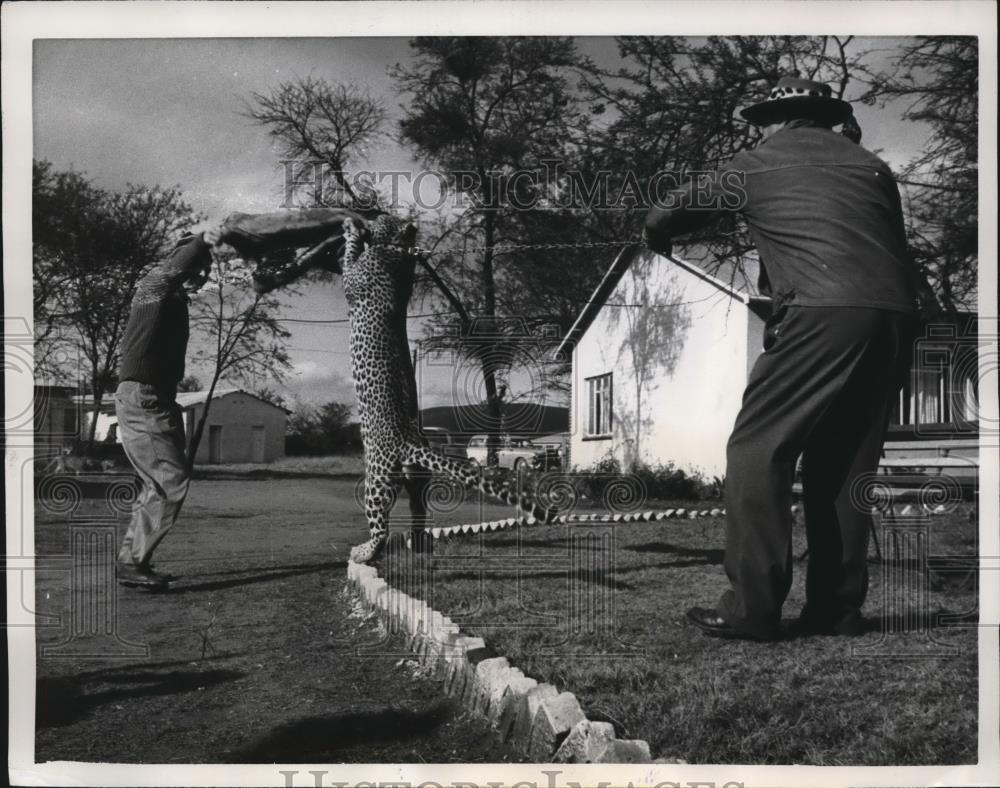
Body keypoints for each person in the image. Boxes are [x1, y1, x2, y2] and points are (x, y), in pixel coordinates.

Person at [644, 77, 925, 640]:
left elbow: (674, 210)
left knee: (757, 449)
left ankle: (752, 608)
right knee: (845, 463)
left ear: (776, 119)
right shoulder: (873, 165)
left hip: (823, 312)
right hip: (896, 316)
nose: (759, 130)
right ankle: (837, 609)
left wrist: (655, 235)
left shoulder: (757, 160)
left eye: (761, 121)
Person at [115, 226, 223, 589]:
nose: (201, 276)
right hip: (145, 396)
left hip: (157, 397)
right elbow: (169, 273)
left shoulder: (174, 302)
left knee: (156, 486)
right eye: (196, 268)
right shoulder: (152, 290)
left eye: (205, 271)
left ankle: (131, 562)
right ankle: (131, 563)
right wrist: (202, 242)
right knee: (170, 481)